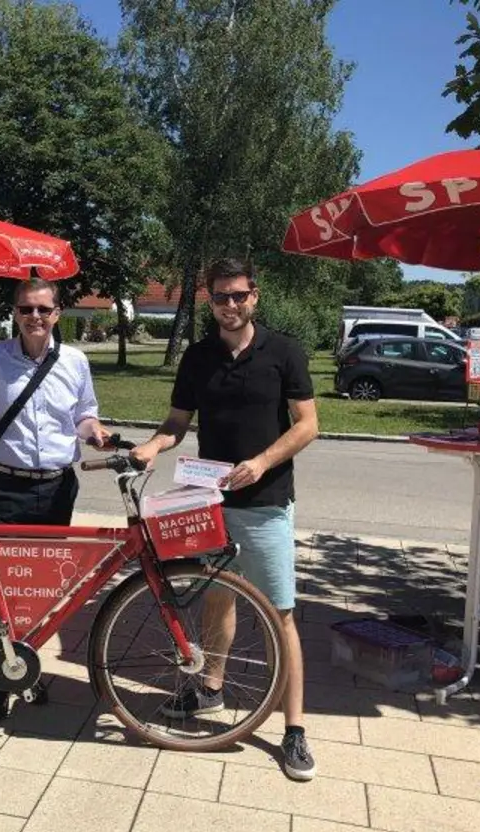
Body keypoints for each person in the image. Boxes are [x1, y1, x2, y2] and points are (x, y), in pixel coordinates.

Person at [130, 258, 321, 781]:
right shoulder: (198, 356)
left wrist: (261, 462)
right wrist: (153, 444)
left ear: (254, 296)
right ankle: (212, 688)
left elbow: (308, 425)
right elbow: (177, 422)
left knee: (279, 612)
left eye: (238, 295)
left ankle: (295, 731)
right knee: (217, 596)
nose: (230, 305)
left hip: (266, 503)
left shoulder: (284, 351)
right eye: (220, 297)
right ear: (209, 301)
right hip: (208, 499)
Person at [0, 277, 111, 717]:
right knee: (5, 588)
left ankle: (20, 668)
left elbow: (84, 414)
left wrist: (96, 432)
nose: (35, 317)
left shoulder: (74, 361)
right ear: (15, 312)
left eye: (43, 309)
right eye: (27, 309)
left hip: (56, 485)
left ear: (57, 314)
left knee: (42, 586)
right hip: (8, 485)